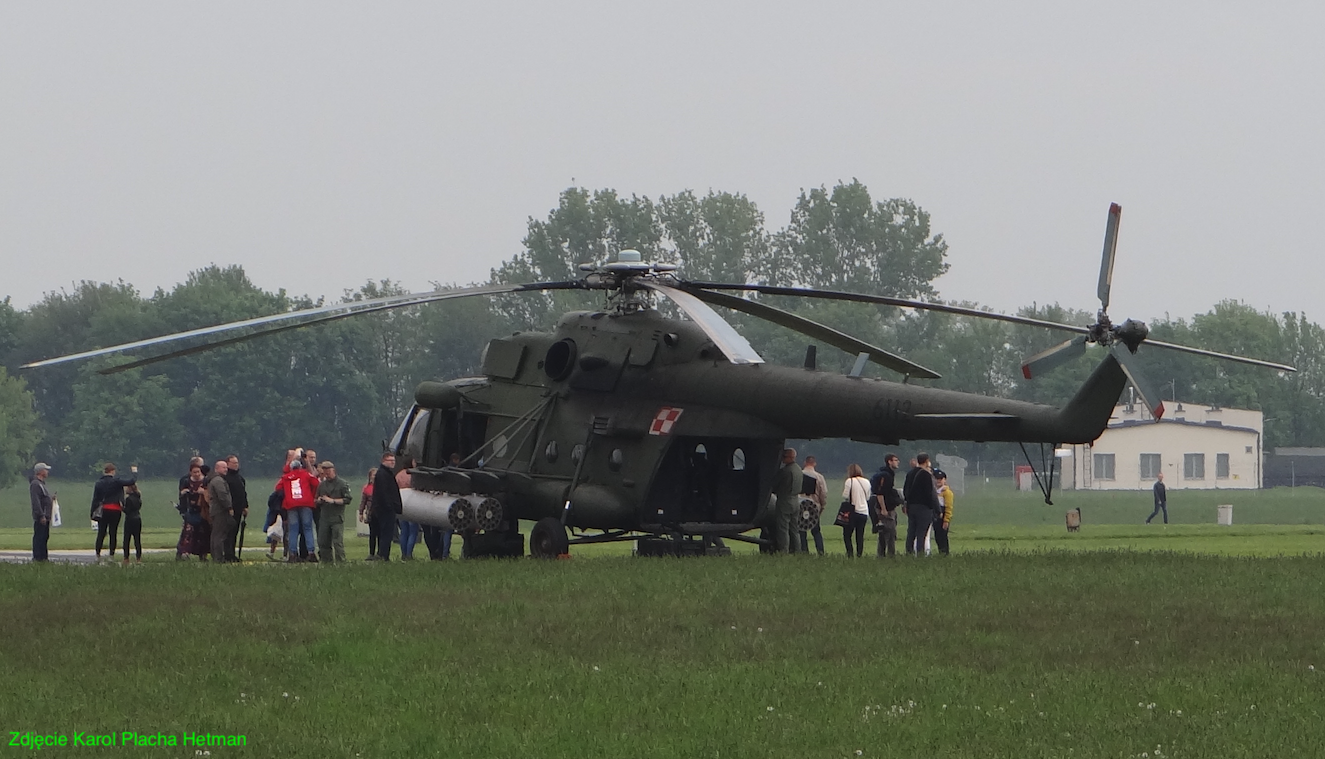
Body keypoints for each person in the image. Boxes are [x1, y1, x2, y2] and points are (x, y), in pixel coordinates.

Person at [91, 463, 137, 561]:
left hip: (103, 510)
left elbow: (95, 499)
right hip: (115, 509)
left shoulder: (99, 483)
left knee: (101, 532)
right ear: (112, 471)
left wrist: (92, 513)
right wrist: (134, 472)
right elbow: (132, 481)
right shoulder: (116, 481)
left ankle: (97, 554)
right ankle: (111, 555)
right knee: (113, 532)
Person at [278, 459, 320, 563]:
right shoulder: (306, 474)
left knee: (293, 529)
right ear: (300, 467)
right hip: (306, 503)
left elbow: (278, 488)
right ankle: (311, 552)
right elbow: (316, 483)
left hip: (291, 504)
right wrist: (312, 494)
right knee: (308, 528)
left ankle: (292, 554)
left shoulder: (286, 477)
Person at [902, 453, 939, 556]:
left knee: (911, 532)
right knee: (921, 533)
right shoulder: (926, 475)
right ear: (927, 461)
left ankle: (909, 552)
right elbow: (930, 493)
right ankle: (920, 554)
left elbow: (905, 490)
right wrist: (935, 508)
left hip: (911, 506)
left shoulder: (910, 473)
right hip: (923, 507)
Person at [315, 461, 352, 563]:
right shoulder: (322, 485)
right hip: (324, 517)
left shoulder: (342, 484)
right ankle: (327, 562)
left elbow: (347, 499)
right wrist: (319, 500)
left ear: (333, 470)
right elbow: (315, 499)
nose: (327, 473)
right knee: (323, 542)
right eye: (325, 471)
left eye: (328, 471)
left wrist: (333, 501)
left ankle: (341, 562)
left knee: (337, 542)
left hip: (337, 517)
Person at [370, 452, 403, 561]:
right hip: (385, 509)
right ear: (384, 461)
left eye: (394, 460)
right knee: (386, 533)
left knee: (387, 533)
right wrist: (390, 506)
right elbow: (383, 492)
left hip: (385, 508)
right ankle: (384, 555)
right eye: (390, 460)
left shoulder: (387, 473)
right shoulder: (383, 474)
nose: (393, 463)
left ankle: (383, 554)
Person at [770, 448, 802, 554]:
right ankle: (797, 550)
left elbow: (774, 484)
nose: (783, 459)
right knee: (794, 529)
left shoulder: (785, 471)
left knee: (783, 528)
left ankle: (784, 550)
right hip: (796, 500)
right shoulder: (798, 469)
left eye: (784, 457)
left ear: (789, 457)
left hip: (785, 500)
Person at [797, 455, 828, 555]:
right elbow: (823, 493)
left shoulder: (799, 475)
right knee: (816, 531)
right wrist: (822, 506)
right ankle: (821, 552)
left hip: (801, 506)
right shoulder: (819, 477)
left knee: (801, 530)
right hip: (814, 507)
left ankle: (804, 552)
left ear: (805, 463)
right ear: (814, 463)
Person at [872, 454, 902, 558]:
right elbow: (880, 493)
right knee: (890, 533)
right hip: (886, 508)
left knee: (884, 532)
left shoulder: (888, 474)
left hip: (886, 507)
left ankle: (881, 555)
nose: (898, 462)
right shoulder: (887, 476)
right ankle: (890, 555)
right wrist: (883, 509)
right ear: (889, 462)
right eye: (895, 460)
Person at [176, 465, 208, 560]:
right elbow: (182, 496)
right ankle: (183, 553)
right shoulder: (186, 481)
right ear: (191, 472)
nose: (197, 474)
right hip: (191, 511)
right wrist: (184, 493)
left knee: (202, 533)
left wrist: (204, 492)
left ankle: (202, 554)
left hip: (202, 511)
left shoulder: (205, 481)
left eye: (198, 472)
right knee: (187, 533)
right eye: (195, 472)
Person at [206, 460, 234, 563]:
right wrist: (229, 507)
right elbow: (222, 496)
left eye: (226, 467)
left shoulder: (214, 479)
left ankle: (216, 556)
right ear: (217, 468)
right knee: (219, 535)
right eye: (223, 468)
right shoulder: (218, 481)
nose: (226, 469)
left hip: (215, 510)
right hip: (220, 511)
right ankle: (218, 558)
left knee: (215, 535)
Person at [841, 463, 872, 557]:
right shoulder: (866, 481)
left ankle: (850, 554)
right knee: (860, 535)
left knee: (847, 534)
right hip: (864, 511)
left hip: (852, 511)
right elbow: (868, 497)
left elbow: (845, 496)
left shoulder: (849, 481)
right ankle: (859, 554)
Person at [223, 454, 249, 562]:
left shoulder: (240, 478)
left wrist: (245, 506)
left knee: (235, 532)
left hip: (239, 509)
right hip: (230, 510)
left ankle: (232, 554)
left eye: (237, 463)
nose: (236, 465)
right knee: (228, 533)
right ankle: (227, 554)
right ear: (228, 464)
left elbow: (243, 493)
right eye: (234, 463)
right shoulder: (226, 478)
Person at [30, 463, 54, 562]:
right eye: (46, 470)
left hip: (46, 515)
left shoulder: (41, 484)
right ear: (40, 471)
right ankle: (38, 558)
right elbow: (36, 501)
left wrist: (50, 499)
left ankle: (44, 558)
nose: (47, 472)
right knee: (39, 537)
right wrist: (41, 515)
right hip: (42, 516)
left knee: (44, 537)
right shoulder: (35, 484)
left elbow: (43, 498)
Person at [396, 457, 419, 560]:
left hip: (401, 503)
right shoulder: (413, 474)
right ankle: (409, 553)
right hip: (412, 503)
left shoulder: (398, 475)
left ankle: (403, 554)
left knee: (404, 531)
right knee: (413, 531)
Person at [932, 470, 954, 556]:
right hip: (935, 516)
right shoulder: (935, 492)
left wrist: (946, 520)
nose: (938, 481)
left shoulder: (947, 492)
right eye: (937, 479)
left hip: (943, 515)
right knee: (937, 536)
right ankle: (941, 552)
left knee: (943, 536)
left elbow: (949, 507)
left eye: (941, 479)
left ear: (944, 480)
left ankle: (945, 553)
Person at [122, 483, 144, 563]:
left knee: (126, 539)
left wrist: (122, 508)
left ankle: (126, 558)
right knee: (137, 539)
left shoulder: (128, 499)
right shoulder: (138, 498)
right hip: (137, 519)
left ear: (130, 489)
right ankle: (138, 558)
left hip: (130, 519)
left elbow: (127, 510)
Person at [360, 468, 377, 559]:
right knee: (372, 534)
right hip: (371, 513)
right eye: (373, 475)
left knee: (381, 534)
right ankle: (371, 553)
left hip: (380, 513)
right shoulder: (367, 488)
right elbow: (363, 501)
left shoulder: (381, 486)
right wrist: (361, 512)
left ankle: (380, 552)